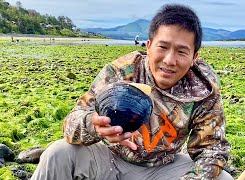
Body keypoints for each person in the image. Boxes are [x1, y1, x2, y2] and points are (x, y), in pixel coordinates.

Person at [31, 4, 232, 180]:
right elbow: (70, 125)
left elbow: (212, 149)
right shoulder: (122, 71)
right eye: (163, 47)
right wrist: (94, 125)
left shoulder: (204, 89)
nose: (170, 60)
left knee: (223, 178)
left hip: (161, 168)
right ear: (149, 46)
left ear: (194, 56)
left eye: (181, 51)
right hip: (109, 158)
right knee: (57, 153)